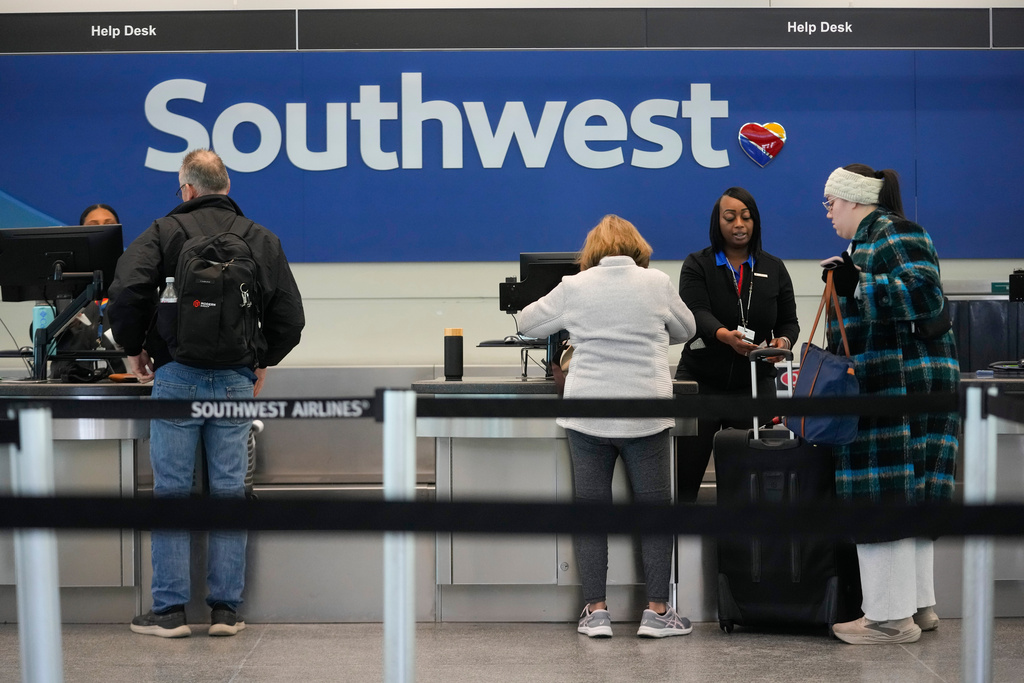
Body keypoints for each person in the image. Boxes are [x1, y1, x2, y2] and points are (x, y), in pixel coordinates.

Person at [107, 149, 305, 638]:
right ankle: (225, 611)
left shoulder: (162, 232)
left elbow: (127, 292)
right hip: (235, 380)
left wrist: (133, 351)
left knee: (172, 492)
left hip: (176, 376)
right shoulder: (260, 238)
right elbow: (291, 319)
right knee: (229, 492)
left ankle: (170, 612)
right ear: (228, 187)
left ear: (188, 189)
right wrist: (260, 359)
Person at [518, 214, 697, 639]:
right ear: (637, 248)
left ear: (592, 252)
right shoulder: (657, 283)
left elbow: (526, 323)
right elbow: (687, 329)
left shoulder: (574, 287)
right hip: (646, 414)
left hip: (589, 414)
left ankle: (596, 611)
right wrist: (651, 334)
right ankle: (657, 611)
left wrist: (573, 325)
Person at [819, 164, 959, 645]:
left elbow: (926, 296)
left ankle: (886, 618)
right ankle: (917, 607)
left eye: (831, 203)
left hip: (898, 385)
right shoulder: (871, 241)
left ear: (854, 200)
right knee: (908, 492)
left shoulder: (895, 233)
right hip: (899, 381)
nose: (829, 213)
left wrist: (858, 283)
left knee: (882, 491)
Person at [673, 187, 799, 502]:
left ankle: (743, 550)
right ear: (718, 222)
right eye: (730, 217)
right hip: (701, 384)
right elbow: (695, 313)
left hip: (752, 386)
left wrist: (782, 341)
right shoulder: (697, 264)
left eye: (746, 217)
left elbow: (788, 323)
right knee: (684, 483)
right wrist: (724, 336)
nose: (739, 224)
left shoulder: (774, 267)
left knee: (749, 489)